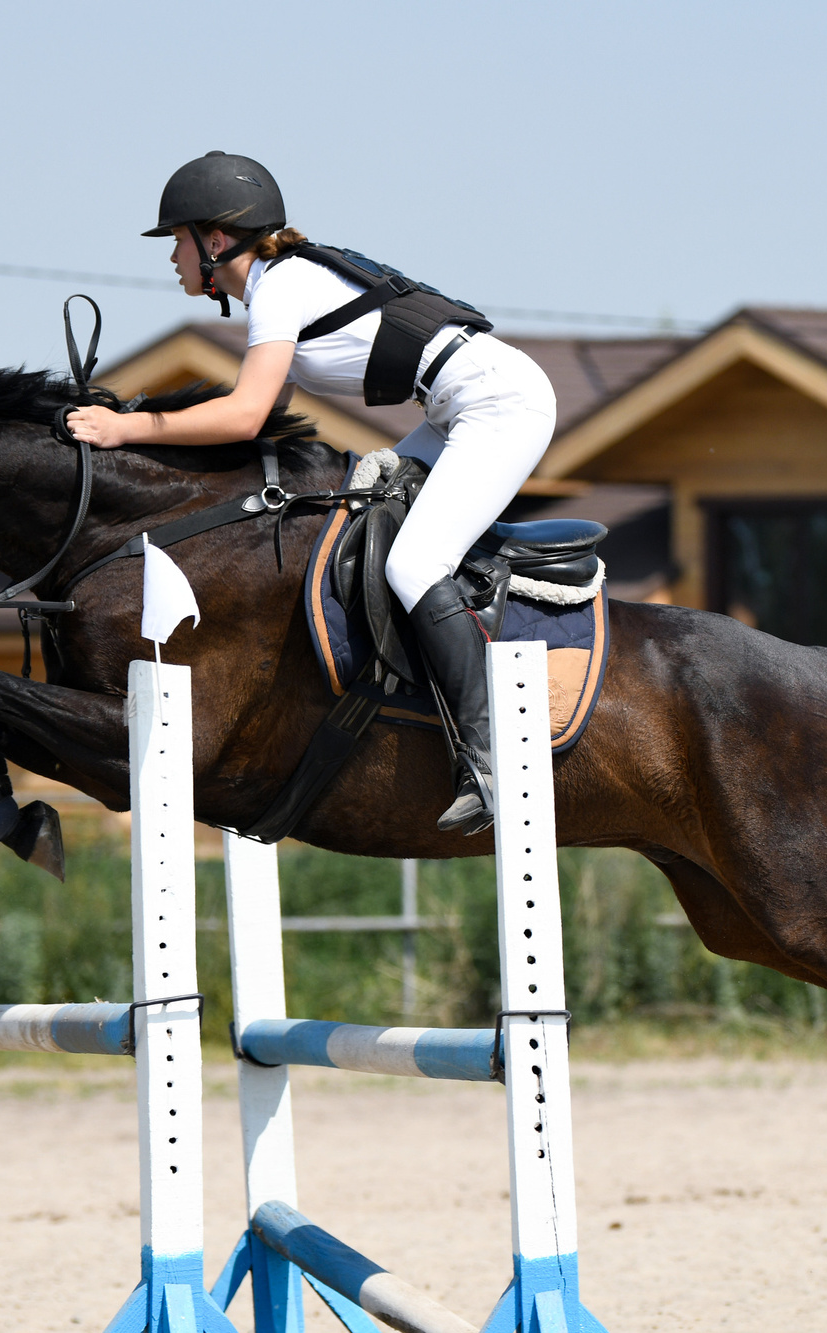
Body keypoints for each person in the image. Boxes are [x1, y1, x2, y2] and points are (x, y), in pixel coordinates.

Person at [63, 151, 557, 836]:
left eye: (177, 240)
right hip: (454, 412)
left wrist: (126, 429)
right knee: (366, 518)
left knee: (415, 563)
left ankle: (491, 755)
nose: (173, 257)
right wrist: (140, 432)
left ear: (215, 240)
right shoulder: (280, 285)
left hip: (499, 406)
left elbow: (243, 415)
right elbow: (258, 420)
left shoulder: (281, 288)